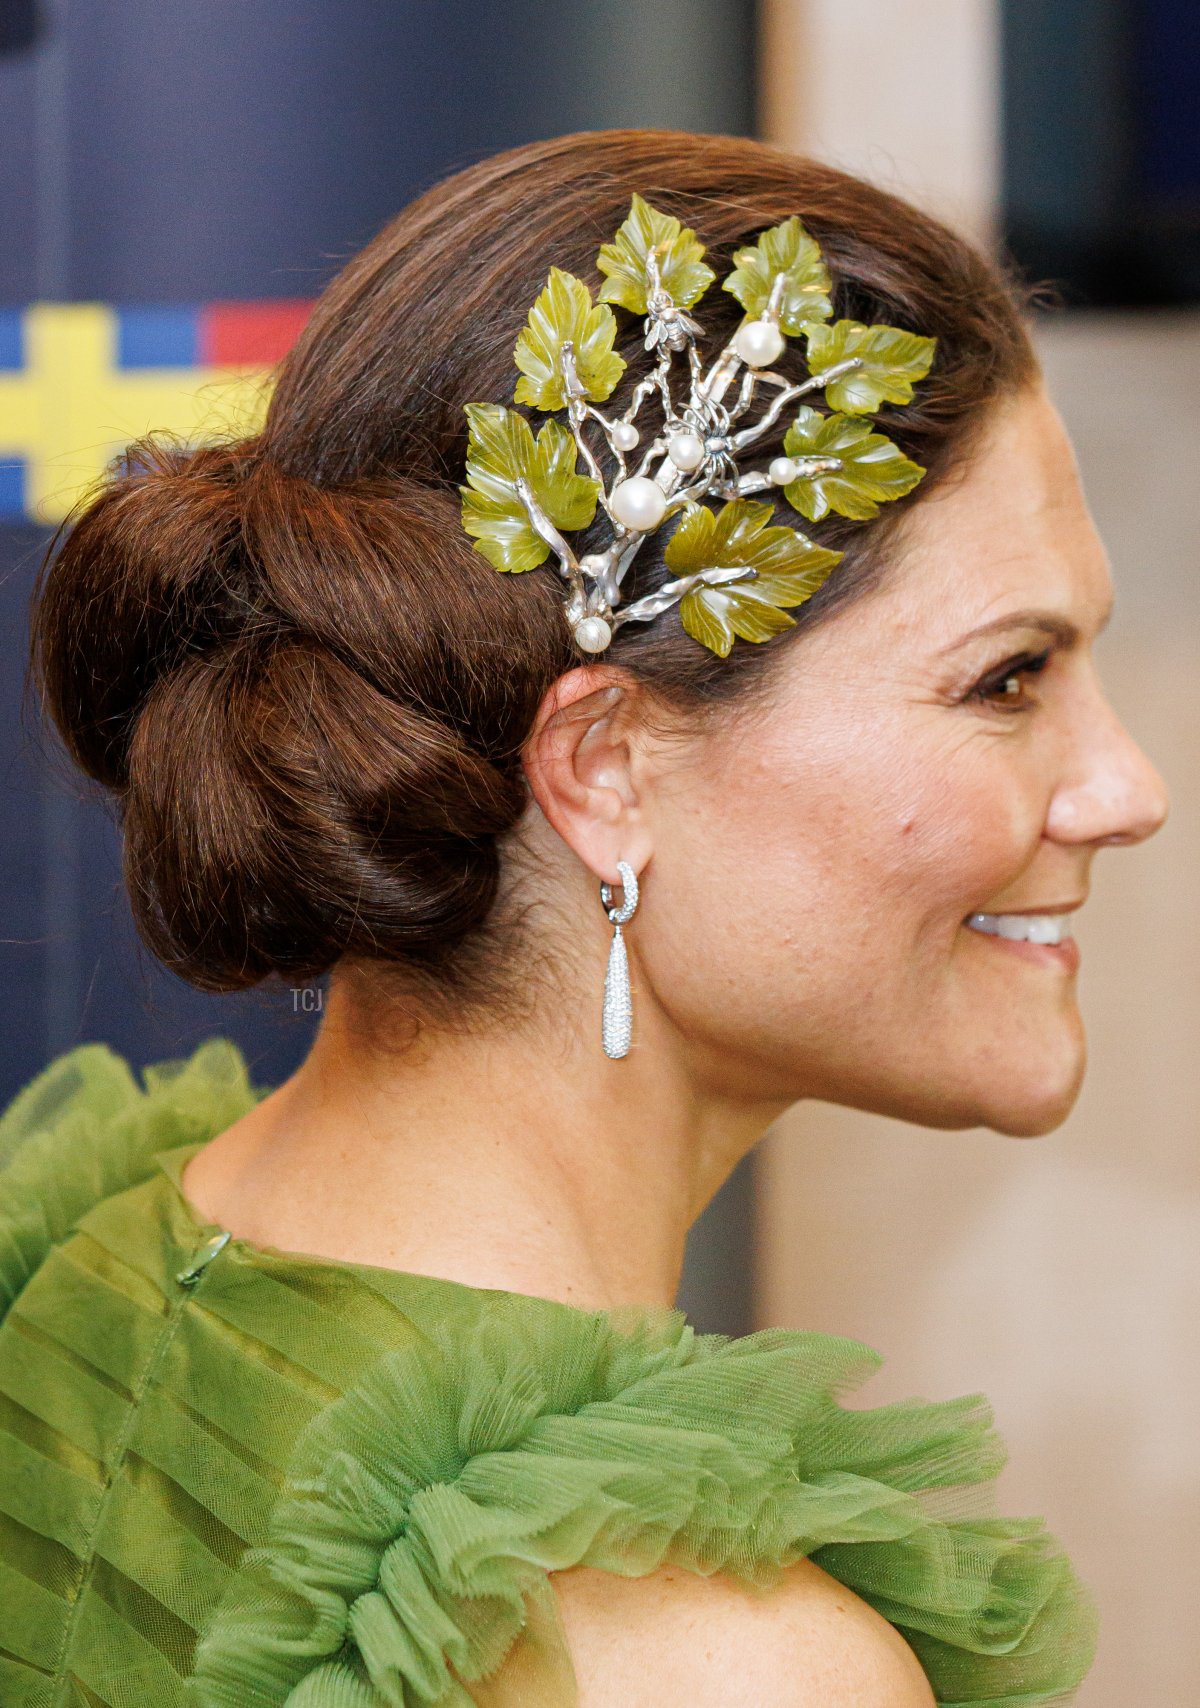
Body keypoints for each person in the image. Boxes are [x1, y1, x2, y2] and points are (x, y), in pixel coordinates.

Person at [0, 128, 1168, 1707]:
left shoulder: (83, 1276)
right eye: (1009, 678)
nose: (1127, 788)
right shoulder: (694, 1661)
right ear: (605, 767)